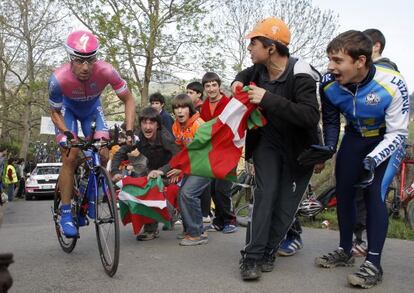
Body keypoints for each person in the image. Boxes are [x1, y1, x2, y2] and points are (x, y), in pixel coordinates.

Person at [314, 30, 409, 289]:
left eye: (337, 60)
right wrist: (329, 147)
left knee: (374, 195)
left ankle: (373, 264)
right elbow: (332, 121)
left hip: (385, 140)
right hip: (354, 138)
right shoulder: (327, 83)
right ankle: (345, 251)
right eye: (329, 60)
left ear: (361, 61)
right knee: (344, 193)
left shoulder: (392, 83)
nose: (330, 67)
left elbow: (398, 133)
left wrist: (373, 159)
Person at [231, 17, 320, 280]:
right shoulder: (258, 69)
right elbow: (247, 74)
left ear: (271, 47)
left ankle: (269, 251)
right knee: (265, 198)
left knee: (284, 207)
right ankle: (252, 257)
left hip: (298, 150)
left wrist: (268, 99)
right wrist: (238, 80)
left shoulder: (301, 72)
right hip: (267, 146)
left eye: (254, 43)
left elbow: (309, 116)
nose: (249, 47)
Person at [49, 30, 136, 237]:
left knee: (103, 154)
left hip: (92, 112)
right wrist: (67, 134)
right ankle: (67, 212)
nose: (86, 67)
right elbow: (55, 113)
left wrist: (130, 130)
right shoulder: (58, 79)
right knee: (70, 157)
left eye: (90, 60)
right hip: (67, 113)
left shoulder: (106, 70)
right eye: (80, 61)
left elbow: (129, 99)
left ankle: (87, 201)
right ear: (70, 58)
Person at [112, 107, 180, 241]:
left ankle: (170, 214)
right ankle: (151, 228)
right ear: (140, 124)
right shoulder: (137, 137)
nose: (148, 127)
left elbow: (178, 157)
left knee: (151, 185)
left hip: (166, 172)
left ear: (158, 125)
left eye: (151, 123)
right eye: (144, 123)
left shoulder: (166, 137)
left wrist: (162, 171)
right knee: (140, 183)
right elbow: (120, 153)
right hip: (147, 171)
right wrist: (115, 172)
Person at [170, 93, 211, 245]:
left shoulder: (198, 125)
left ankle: (197, 234)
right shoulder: (176, 126)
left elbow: (201, 153)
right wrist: (177, 166)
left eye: (184, 107)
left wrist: (182, 169)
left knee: (188, 194)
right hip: (191, 166)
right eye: (176, 108)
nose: (180, 111)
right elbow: (180, 148)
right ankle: (192, 229)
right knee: (182, 194)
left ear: (190, 109)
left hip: (205, 165)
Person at [200, 72, 237, 234]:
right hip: (211, 153)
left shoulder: (229, 103)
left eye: (214, 85)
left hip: (229, 151)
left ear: (219, 86)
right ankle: (219, 220)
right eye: (207, 86)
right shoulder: (204, 106)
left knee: (223, 188)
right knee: (213, 188)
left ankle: (230, 220)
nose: (211, 88)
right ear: (204, 88)